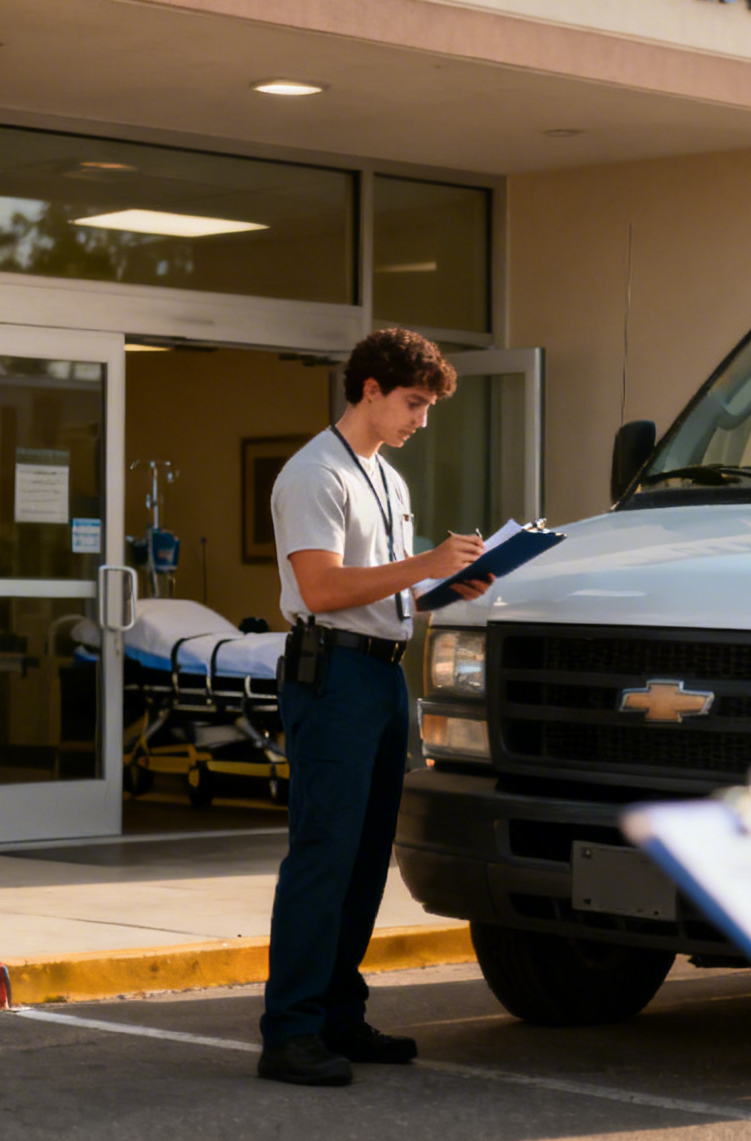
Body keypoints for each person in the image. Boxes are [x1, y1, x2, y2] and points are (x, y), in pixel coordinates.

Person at [257, 328, 492, 1086]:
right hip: (332, 679)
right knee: (324, 854)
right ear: (370, 390)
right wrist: (427, 563)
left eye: (427, 407)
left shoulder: (386, 478)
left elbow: (388, 589)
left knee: (364, 858)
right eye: (414, 404)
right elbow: (324, 590)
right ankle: (289, 1032)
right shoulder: (313, 475)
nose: (421, 421)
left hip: (384, 675)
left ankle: (336, 1015)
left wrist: (447, 587)